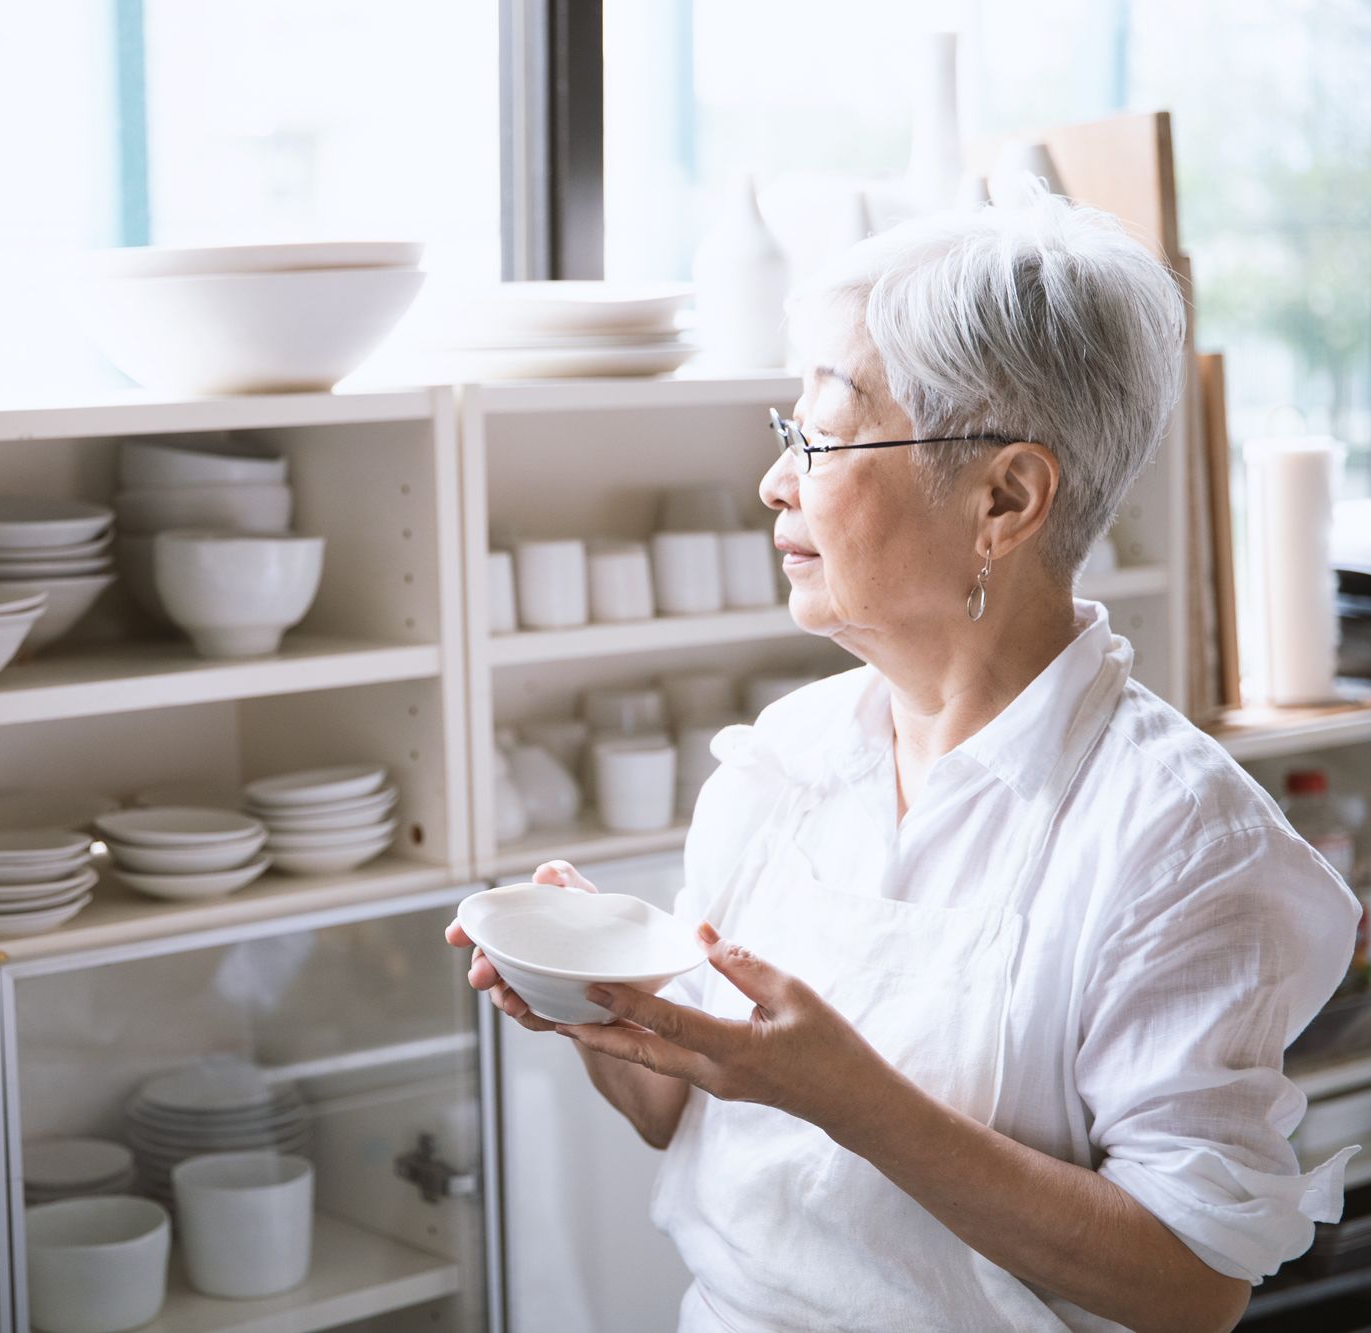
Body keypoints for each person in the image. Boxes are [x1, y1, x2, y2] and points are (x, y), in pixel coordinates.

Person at [450, 192, 1358, 1331]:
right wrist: (604, 1009)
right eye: (785, 438)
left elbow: (1190, 1281)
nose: (776, 483)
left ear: (1004, 498)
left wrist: (850, 1098)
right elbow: (677, 1115)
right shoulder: (783, 758)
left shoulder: (1181, 842)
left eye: (819, 439)